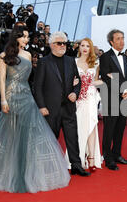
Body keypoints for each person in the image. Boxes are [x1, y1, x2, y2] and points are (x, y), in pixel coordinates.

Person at [0, 26, 70, 192]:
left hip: (26, 98)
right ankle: (10, 173)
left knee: (28, 135)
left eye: (27, 37)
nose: (26, 40)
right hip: (10, 97)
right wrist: (3, 101)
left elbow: (28, 80)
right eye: (23, 37)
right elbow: (1, 80)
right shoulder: (3, 56)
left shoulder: (29, 55)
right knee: (10, 136)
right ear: (15, 37)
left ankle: (25, 174)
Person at [34, 31, 90, 177]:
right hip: (51, 109)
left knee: (72, 138)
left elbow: (78, 82)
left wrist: (75, 93)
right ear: (52, 45)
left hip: (68, 107)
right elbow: (37, 86)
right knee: (51, 139)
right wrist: (41, 106)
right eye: (59, 43)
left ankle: (76, 165)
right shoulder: (44, 62)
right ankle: (50, 167)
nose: (62, 46)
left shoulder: (70, 61)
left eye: (64, 43)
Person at [64, 38, 103, 172]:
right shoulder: (72, 62)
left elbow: (97, 81)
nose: (85, 48)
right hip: (78, 99)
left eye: (88, 46)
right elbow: (67, 80)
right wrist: (72, 84)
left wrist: (106, 81)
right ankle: (77, 158)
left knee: (92, 127)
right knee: (78, 128)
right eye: (82, 45)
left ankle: (91, 158)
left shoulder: (95, 63)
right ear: (79, 47)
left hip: (91, 98)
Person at [99, 29, 127, 171]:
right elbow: (107, 77)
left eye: (123, 38)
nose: (121, 41)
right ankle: (108, 158)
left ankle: (117, 154)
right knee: (109, 130)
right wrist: (123, 90)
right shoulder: (105, 57)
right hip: (111, 98)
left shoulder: (125, 57)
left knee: (120, 128)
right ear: (111, 41)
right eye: (118, 38)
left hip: (125, 99)